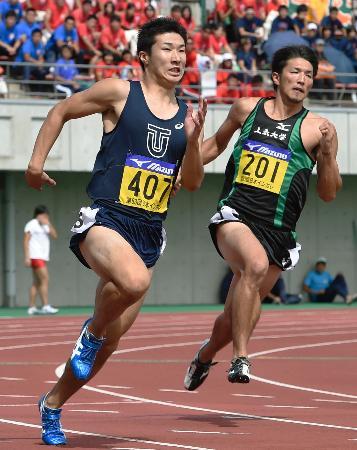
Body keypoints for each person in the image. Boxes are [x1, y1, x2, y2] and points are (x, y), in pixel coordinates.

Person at [25, 17, 206, 446]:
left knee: (109, 344)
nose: (178, 56)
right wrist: (36, 162)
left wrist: (195, 141)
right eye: (168, 47)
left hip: (148, 233)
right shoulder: (120, 92)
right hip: (105, 220)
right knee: (132, 284)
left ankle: (51, 405)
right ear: (144, 55)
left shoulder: (187, 114)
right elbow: (62, 110)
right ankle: (89, 333)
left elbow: (193, 182)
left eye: (183, 49)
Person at [184, 45, 342, 391]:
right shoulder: (246, 109)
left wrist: (328, 158)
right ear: (276, 77)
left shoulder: (318, 129)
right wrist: (185, 160)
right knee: (253, 266)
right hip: (235, 215)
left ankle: (206, 355)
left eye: (308, 75)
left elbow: (329, 192)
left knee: (233, 316)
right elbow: (214, 146)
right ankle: (241, 357)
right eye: (295, 72)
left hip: (279, 232)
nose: (302, 79)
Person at [23, 205, 59, 315]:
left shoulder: (45, 225)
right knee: (45, 279)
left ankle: (32, 307)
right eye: (43, 215)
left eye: (46, 215)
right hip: (35, 256)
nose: (45, 217)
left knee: (37, 282)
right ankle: (45, 305)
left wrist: (48, 223)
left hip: (42, 257)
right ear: (38, 215)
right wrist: (27, 257)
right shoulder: (31, 224)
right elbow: (25, 241)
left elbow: (55, 235)